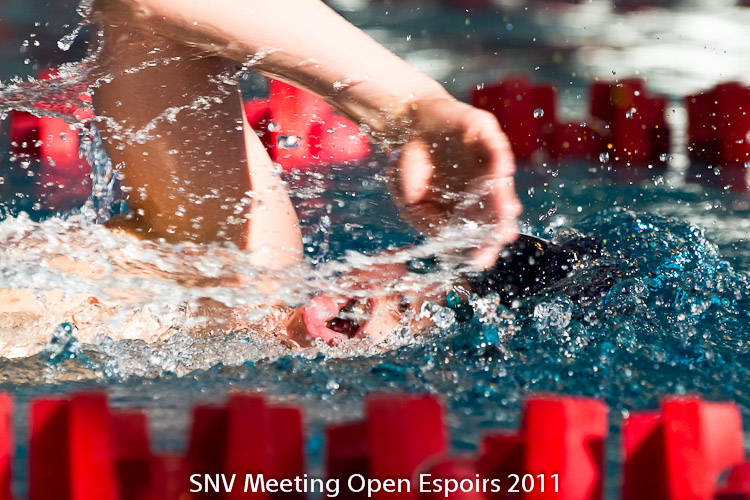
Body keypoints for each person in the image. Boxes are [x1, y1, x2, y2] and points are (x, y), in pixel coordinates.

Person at [0, 0, 521, 352]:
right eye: (423, 265)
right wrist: (409, 110)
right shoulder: (242, 261)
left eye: (432, 316)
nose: (395, 296)